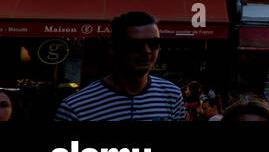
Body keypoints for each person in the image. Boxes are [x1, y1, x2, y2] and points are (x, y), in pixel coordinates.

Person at [54, 11, 185, 121]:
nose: (147, 51)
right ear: (113, 48)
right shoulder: (75, 107)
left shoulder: (172, 95)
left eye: (153, 43)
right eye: (135, 44)